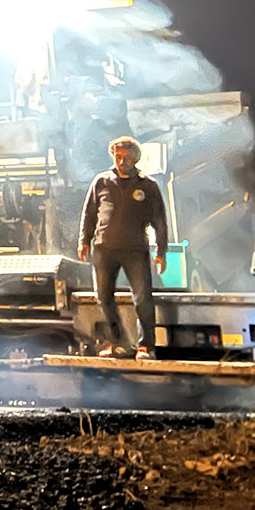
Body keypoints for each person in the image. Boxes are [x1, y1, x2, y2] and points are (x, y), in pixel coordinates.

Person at [78, 136, 169, 359]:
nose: (122, 161)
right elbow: (89, 213)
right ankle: (116, 342)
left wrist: (161, 251)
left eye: (127, 157)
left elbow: (159, 221)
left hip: (135, 249)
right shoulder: (101, 182)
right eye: (118, 157)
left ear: (136, 158)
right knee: (103, 296)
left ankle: (146, 346)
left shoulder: (148, 185)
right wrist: (83, 240)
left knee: (143, 298)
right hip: (104, 248)